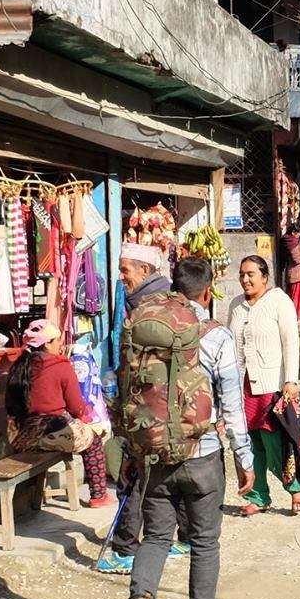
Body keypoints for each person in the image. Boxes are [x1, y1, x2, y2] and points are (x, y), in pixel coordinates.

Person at [106, 253, 253, 599]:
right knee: (205, 541)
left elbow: (122, 387)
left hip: (156, 456)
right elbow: (232, 408)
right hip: (202, 453)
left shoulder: (145, 327)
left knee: (155, 536)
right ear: (207, 291)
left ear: (173, 284)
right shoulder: (216, 335)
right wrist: (245, 461)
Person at [97, 243, 186, 574]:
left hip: (148, 410)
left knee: (134, 476)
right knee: (158, 476)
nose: (121, 278)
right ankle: (158, 537)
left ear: (146, 272)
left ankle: (125, 546)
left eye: (126, 271)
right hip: (169, 409)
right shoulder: (169, 302)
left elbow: (136, 368)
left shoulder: (147, 309)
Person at [229, 255, 300, 514]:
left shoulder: (278, 301)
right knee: (251, 444)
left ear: (265, 276)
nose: (245, 279)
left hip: (272, 386)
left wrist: (291, 380)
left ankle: (295, 488)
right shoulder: (236, 305)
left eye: (251, 274)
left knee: (275, 445)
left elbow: (291, 342)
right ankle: (259, 496)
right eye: (242, 274)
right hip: (243, 387)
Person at [7, 319, 108, 506]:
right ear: (46, 344)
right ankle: (99, 495)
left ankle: (29, 496)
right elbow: (76, 406)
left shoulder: (19, 365)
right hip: (51, 433)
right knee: (94, 440)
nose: (61, 344)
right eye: (57, 340)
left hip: (21, 436)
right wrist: (85, 417)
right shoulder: (60, 366)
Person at [281, 224, 300, 317]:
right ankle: (295, 316)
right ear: (293, 233)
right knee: (296, 297)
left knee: (299, 296)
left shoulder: (294, 241)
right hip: (296, 273)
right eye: (299, 233)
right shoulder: (292, 243)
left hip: (299, 273)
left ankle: (297, 315)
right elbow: (297, 259)